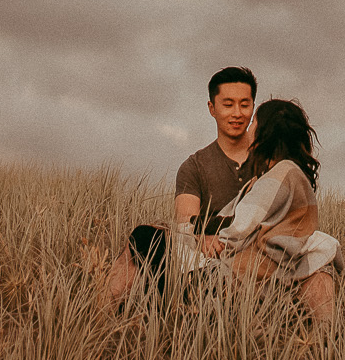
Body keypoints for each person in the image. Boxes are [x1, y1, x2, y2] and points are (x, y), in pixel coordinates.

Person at [103, 66, 260, 306]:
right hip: (206, 257)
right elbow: (186, 220)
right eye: (228, 105)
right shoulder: (195, 166)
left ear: (253, 108)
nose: (237, 113)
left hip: (258, 256)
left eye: (244, 104)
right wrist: (203, 236)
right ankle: (98, 320)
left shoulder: (269, 159)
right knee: (142, 239)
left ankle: (325, 335)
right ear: (212, 109)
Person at [207, 97, 341, 320]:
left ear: (264, 133)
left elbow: (238, 228)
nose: (248, 127)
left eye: (253, 123)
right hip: (257, 270)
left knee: (147, 238)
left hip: (246, 272)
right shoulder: (277, 175)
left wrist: (200, 239)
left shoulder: (282, 173)